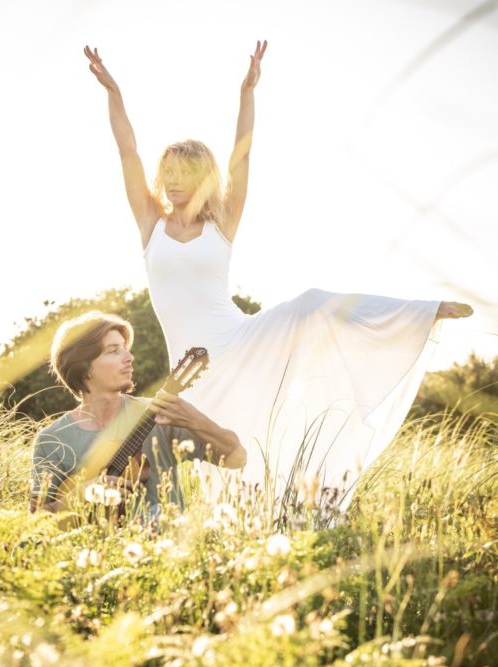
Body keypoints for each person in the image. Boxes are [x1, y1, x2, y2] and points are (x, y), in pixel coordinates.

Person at [83, 42, 473, 507]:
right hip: (189, 368)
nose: (172, 180)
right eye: (167, 171)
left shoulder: (221, 223)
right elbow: (127, 151)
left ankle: (424, 312)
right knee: (212, 463)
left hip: (239, 341)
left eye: (184, 171)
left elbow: (240, 160)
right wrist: (114, 91)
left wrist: (247, 93)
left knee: (311, 302)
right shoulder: (151, 225)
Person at [30, 311, 246, 517]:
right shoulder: (53, 440)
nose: (129, 357)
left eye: (126, 348)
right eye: (113, 350)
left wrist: (195, 420)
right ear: (84, 367)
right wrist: (82, 494)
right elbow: (35, 519)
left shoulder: (162, 415)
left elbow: (237, 458)